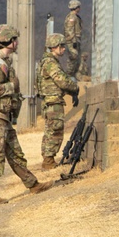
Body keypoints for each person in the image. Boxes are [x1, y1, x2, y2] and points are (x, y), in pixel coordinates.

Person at [0, 24, 54, 204]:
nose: (17, 42)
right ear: (9, 42)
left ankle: (33, 184)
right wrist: (13, 87)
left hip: (0, 116)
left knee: (15, 153)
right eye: (15, 39)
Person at [37, 33, 80, 170]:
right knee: (55, 131)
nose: (63, 49)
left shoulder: (48, 61)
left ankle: (47, 159)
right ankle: (48, 161)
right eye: (61, 46)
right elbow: (62, 81)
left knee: (50, 130)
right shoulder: (50, 63)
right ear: (54, 47)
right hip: (53, 102)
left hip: (50, 101)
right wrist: (75, 88)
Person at [64, 0, 86, 77]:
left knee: (77, 60)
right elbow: (70, 30)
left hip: (76, 40)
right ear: (76, 7)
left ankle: (73, 76)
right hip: (72, 41)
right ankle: (69, 76)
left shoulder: (75, 16)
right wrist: (73, 41)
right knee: (73, 58)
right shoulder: (72, 17)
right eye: (78, 7)